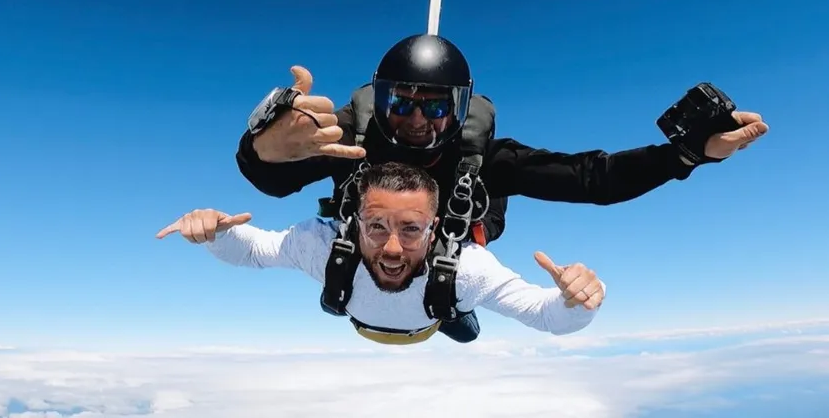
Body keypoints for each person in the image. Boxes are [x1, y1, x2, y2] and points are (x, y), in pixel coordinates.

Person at [233, 33, 768, 342]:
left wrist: (685, 153)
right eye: (403, 102)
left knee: (457, 306)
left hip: (454, 256)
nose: (418, 120)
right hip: (374, 250)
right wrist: (264, 146)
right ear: (381, 100)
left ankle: (449, 303)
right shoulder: (347, 139)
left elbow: (593, 179)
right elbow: (272, 180)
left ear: (460, 109)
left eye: (437, 105)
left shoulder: (483, 157)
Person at [155, 162, 606, 345]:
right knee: (340, 291)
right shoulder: (327, 246)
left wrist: (577, 300)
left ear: (434, 231)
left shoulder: (467, 269)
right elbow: (255, 250)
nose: (392, 247)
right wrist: (213, 233)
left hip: (437, 309)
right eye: (377, 226)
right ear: (355, 223)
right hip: (365, 305)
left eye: (411, 229)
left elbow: (549, 317)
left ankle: (446, 309)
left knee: (465, 327)